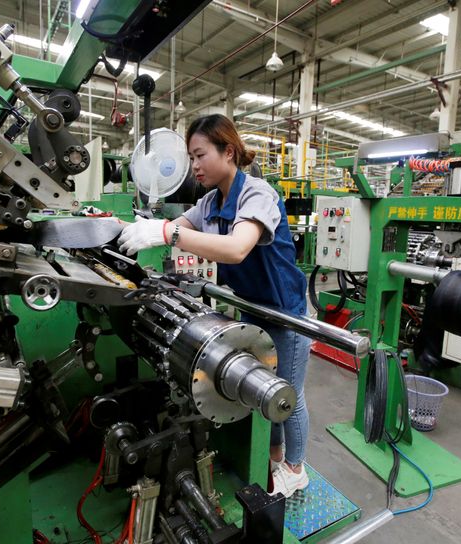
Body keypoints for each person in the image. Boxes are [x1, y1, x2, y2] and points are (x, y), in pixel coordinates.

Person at [118, 114, 311, 498]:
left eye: (200, 155)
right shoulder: (209, 202)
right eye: (190, 158)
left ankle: (296, 467)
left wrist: (165, 234)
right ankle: (275, 458)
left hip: (285, 314)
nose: (194, 166)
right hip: (254, 310)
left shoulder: (258, 194)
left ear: (229, 151)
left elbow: (237, 248)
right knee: (263, 392)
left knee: (287, 393)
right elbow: (182, 227)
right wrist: (133, 225)